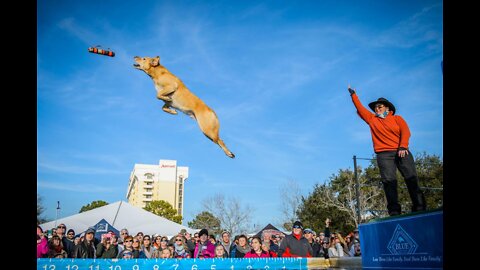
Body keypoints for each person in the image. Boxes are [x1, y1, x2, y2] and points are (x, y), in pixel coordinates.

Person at [348, 86, 426, 216]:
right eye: (376, 107)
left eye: (380, 106)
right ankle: (394, 210)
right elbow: (360, 108)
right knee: (389, 182)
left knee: (411, 178)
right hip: (384, 155)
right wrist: (353, 95)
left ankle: (419, 206)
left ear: (388, 108)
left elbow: (405, 132)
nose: (377, 109)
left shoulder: (397, 118)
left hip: (401, 151)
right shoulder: (372, 119)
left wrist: (403, 146)